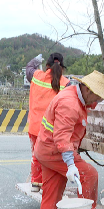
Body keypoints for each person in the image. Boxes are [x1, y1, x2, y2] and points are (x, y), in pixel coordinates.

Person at [35, 70, 104, 209]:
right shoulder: (69, 104)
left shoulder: (75, 94)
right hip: (55, 152)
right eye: (98, 96)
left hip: (46, 150)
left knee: (51, 194)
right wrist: (70, 164)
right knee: (90, 174)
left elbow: (87, 104)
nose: (98, 101)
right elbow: (62, 137)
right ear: (88, 90)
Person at [26, 52, 70, 192]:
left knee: (37, 154)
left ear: (47, 66)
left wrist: (35, 59)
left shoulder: (37, 76)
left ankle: (36, 182)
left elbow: (29, 68)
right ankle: (48, 183)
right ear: (62, 67)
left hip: (34, 126)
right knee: (50, 157)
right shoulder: (66, 83)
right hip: (52, 129)